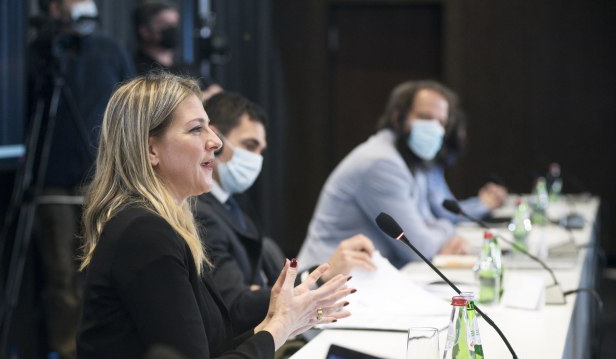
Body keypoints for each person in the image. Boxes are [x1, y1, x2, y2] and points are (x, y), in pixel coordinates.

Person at [66, 71, 353, 359]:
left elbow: (210, 355)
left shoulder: (160, 227)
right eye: (196, 129)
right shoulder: (145, 235)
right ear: (150, 149)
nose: (215, 142)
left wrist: (279, 323)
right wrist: (276, 329)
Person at [196, 91, 375, 333]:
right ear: (215, 140)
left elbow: (263, 288)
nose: (256, 159)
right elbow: (236, 306)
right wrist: (318, 278)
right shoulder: (202, 213)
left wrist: (269, 290)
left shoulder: (233, 203)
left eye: (260, 150)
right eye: (249, 145)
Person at [27, 0, 134, 359]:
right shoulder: (40, 53)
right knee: (61, 277)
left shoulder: (110, 50)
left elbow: (129, 109)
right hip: (53, 182)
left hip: (101, 178)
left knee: (103, 273)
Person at [298, 80, 472, 269]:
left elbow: (427, 223)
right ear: (398, 117)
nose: (435, 128)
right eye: (425, 117)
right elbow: (419, 248)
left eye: (441, 123)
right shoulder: (381, 163)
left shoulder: (413, 160)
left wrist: (436, 230)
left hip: (366, 274)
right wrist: (447, 228)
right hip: (325, 277)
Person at [427, 109, 508, 223]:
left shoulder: (435, 167)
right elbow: (446, 214)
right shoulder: (426, 167)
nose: (464, 137)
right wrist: (484, 204)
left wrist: (483, 201)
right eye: (461, 131)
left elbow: (451, 206)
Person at [132, 0, 223, 99]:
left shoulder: (186, 68)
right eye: (165, 25)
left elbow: (217, 92)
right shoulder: (137, 70)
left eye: (175, 24)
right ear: (145, 31)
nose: (173, 29)